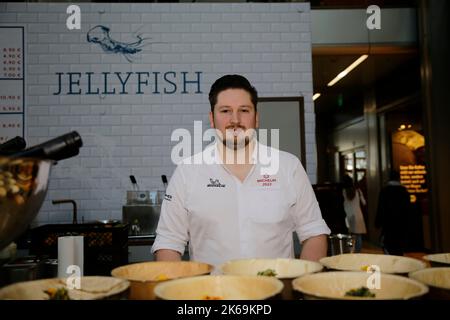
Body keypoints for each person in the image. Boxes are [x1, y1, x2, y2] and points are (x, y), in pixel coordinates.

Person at [151, 74, 330, 268]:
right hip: (210, 294)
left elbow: (314, 233)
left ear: (256, 118)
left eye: (244, 110)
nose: (235, 120)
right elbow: (168, 243)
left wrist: (301, 284)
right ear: (212, 119)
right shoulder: (187, 172)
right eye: (225, 110)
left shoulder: (289, 167)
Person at [375, 171, 411, 255]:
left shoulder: (385, 191)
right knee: (399, 249)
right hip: (401, 226)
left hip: (388, 226)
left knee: (389, 248)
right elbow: (408, 210)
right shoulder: (404, 191)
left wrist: (377, 223)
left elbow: (381, 208)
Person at [341, 175, 367, 253]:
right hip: (358, 215)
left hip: (348, 216)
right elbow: (364, 203)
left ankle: (351, 251)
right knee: (358, 236)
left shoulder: (343, 192)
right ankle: (358, 252)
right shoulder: (358, 191)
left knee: (350, 236)